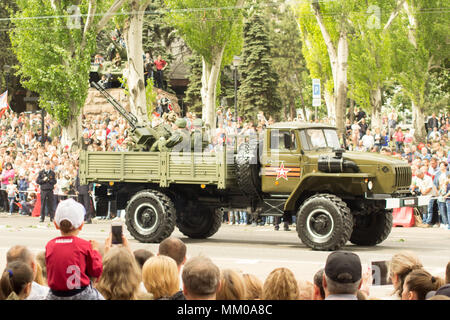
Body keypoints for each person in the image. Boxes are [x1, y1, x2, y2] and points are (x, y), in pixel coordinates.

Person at [45, 198, 104, 300]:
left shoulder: (50, 245)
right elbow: (96, 271)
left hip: (55, 294)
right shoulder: (84, 245)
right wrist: (95, 251)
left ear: (56, 224)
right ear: (81, 225)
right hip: (80, 293)